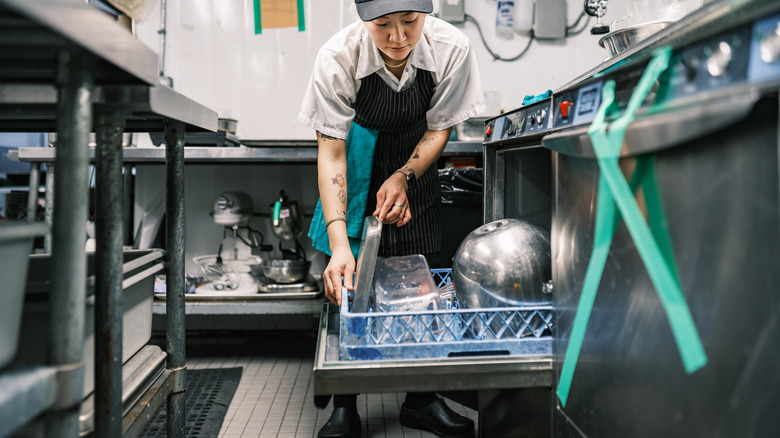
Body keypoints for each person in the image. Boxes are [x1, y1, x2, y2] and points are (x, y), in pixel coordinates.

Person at [299, 0, 484, 437]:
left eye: (410, 22)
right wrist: (341, 244)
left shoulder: (450, 48)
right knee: (351, 281)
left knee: (417, 274)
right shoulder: (338, 57)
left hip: (415, 163)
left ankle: (420, 399)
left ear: (428, 13)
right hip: (358, 157)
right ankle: (345, 404)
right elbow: (331, 151)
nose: (399, 38)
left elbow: (440, 128)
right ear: (363, 18)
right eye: (383, 25)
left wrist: (404, 175)